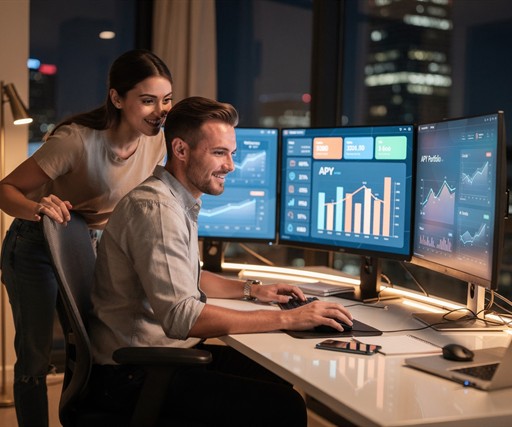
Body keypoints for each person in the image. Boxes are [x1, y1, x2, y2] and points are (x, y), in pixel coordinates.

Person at [88, 96, 353, 426]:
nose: (230, 165)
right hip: (130, 375)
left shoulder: (172, 199)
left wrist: (253, 290)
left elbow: (189, 278)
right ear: (181, 150)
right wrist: (288, 319)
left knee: (273, 370)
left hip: (157, 359)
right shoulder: (157, 211)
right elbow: (181, 317)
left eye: (232, 153)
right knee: (284, 406)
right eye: (219, 153)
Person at [0, 49, 173, 427]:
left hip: (89, 243)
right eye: (147, 100)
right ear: (116, 98)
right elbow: (6, 188)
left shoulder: (156, 141)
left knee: (88, 346)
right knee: (35, 356)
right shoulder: (76, 141)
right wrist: (38, 208)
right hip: (35, 243)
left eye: (166, 100)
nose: (160, 111)